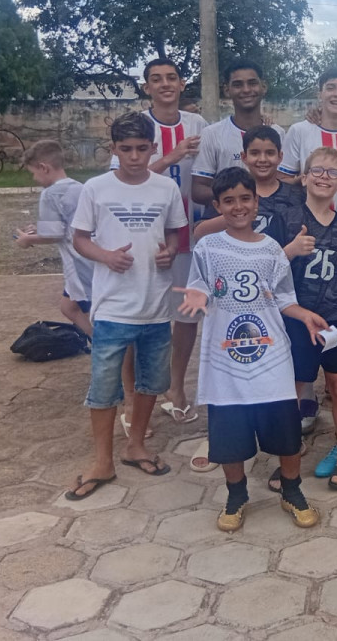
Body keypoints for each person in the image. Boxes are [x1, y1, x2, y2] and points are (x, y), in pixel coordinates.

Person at [178, 167, 325, 531]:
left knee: (285, 430)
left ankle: (292, 491)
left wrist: (304, 314)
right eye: (229, 201)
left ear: (256, 202)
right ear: (217, 206)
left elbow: (283, 297)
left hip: (270, 357)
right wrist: (198, 296)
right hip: (226, 360)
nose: (238, 206)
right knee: (229, 433)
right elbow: (199, 286)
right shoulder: (209, 248)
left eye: (246, 199)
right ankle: (236, 494)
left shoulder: (272, 248)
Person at [64, 113, 187, 500]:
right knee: (103, 388)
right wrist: (105, 256)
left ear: (154, 148)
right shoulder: (96, 189)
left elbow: (174, 232)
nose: (134, 157)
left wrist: (169, 251)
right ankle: (103, 461)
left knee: (151, 383)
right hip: (112, 307)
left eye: (141, 148)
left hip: (155, 304)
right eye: (125, 149)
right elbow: (79, 238)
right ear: (114, 150)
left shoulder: (165, 188)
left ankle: (136, 446)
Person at [122, 60, 210, 440]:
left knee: (188, 316)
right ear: (146, 87)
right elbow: (123, 179)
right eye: (156, 79)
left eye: (171, 78)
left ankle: (176, 388)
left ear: (182, 83)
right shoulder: (134, 126)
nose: (164, 84)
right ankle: (130, 399)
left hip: (190, 236)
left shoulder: (199, 125)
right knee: (138, 317)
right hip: (147, 240)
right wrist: (171, 157)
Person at [280, 147, 337, 490]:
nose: (323, 177)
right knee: (296, 387)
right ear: (303, 177)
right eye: (317, 170)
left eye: (332, 173)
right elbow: (267, 268)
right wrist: (290, 251)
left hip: (336, 318)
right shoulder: (287, 219)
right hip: (298, 318)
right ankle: (289, 457)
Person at [16, 140, 93, 339]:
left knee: (93, 312)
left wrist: (27, 240)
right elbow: (66, 223)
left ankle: (107, 348)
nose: (34, 178)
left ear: (44, 168)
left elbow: (54, 234)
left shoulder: (50, 194)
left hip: (78, 263)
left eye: (33, 172)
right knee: (68, 307)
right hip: (91, 256)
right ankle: (100, 342)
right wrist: (38, 228)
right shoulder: (80, 187)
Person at [191, 60, 282, 205]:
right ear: (227, 90)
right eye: (238, 85)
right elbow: (198, 190)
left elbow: (283, 180)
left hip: (271, 223)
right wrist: (235, 198)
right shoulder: (211, 134)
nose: (246, 90)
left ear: (263, 87)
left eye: (252, 83)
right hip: (225, 224)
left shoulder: (278, 133)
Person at [194, 125, 304, 243]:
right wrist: (233, 216)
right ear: (244, 157)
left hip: (286, 260)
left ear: (280, 157)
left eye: (270, 153)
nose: (262, 159)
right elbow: (198, 234)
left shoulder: (297, 196)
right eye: (255, 153)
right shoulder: (230, 191)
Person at [280, 67, 337, 196]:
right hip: (309, 214)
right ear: (320, 94)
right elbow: (282, 179)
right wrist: (300, 182)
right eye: (330, 88)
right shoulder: (299, 131)